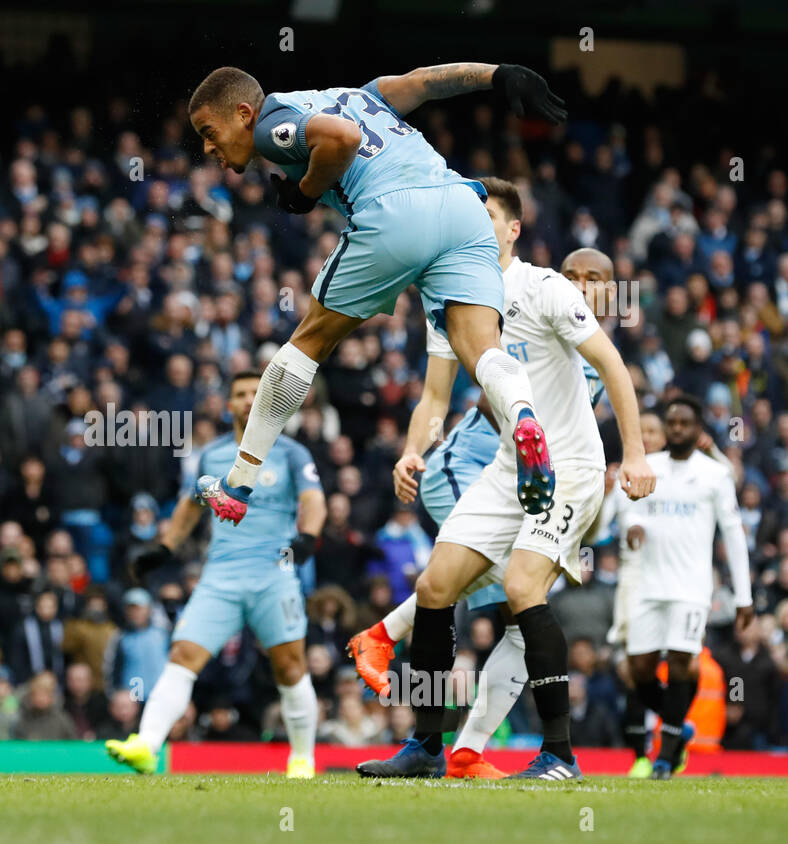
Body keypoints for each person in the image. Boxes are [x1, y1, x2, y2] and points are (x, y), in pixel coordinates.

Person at [188, 65, 612, 530]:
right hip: (462, 207)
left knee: (309, 341)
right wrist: (498, 75)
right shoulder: (352, 91)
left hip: (395, 211)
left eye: (210, 132)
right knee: (482, 349)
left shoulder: (270, 125)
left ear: (244, 113)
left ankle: (238, 484)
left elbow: (343, 139)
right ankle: (525, 420)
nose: (209, 148)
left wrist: (304, 193)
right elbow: (427, 82)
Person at [352, 180, 654, 780]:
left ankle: (560, 756)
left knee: (521, 588)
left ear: (512, 228)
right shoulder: (449, 301)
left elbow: (613, 366)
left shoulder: (543, 287)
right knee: (436, 586)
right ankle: (428, 748)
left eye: (485, 214)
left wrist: (637, 455)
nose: (473, 222)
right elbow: (435, 397)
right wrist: (414, 449)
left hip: (569, 470)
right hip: (505, 471)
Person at [108, 370, 326, 778]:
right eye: (240, 393)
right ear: (228, 405)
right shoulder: (211, 455)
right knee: (183, 655)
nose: (248, 399)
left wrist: (309, 538)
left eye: (255, 393)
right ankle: (146, 745)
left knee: (290, 666)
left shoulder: (292, 453)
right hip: (221, 574)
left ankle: (302, 758)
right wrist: (165, 547)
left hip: (273, 574)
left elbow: (314, 500)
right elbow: (191, 504)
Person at [615, 395, 753, 778]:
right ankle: (680, 728)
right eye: (671, 422)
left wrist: (744, 598)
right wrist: (631, 529)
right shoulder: (647, 468)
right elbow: (627, 511)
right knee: (639, 669)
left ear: (697, 430)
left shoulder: (714, 475)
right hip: (647, 584)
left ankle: (667, 752)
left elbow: (734, 536)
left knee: (680, 662)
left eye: (684, 423)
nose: (676, 429)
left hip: (691, 588)